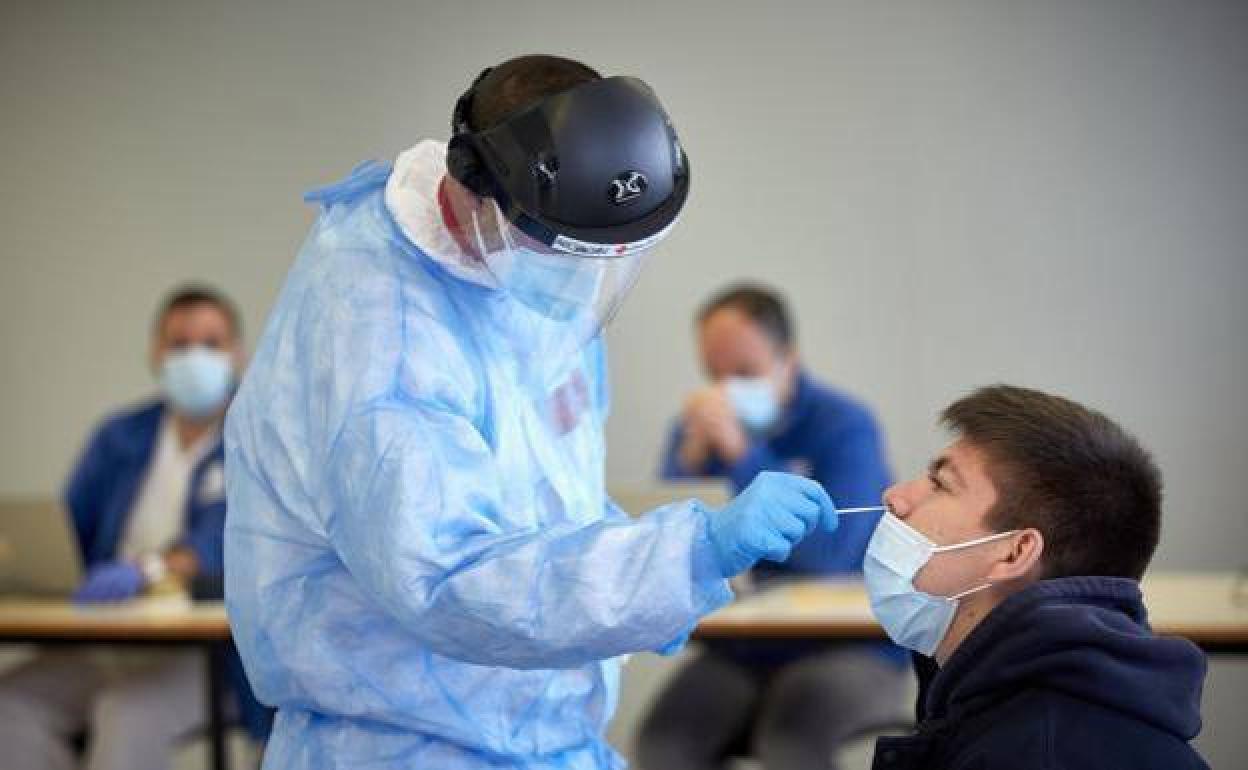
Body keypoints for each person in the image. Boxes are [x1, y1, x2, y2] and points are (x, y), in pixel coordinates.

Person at [225, 54, 843, 770]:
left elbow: (546, 504)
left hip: (543, 739)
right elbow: (449, 575)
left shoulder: (522, 284)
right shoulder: (380, 334)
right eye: (562, 250)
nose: (580, 276)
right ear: (473, 189)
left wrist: (646, 574)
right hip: (406, 746)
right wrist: (683, 553)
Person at [867, 384, 1209, 769]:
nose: (895, 496)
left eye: (941, 484)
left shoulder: (1036, 752)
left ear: (1015, 552)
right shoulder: (1003, 702)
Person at [638, 284, 908, 770]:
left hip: (853, 648)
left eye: (745, 373)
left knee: (791, 737)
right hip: (744, 648)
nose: (726, 391)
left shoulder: (844, 425)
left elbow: (828, 558)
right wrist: (691, 463)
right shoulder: (695, 432)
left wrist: (742, 455)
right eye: (714, 375)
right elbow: (670, 545)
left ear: (789, 360)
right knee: (665, 740)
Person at [0, 286, 270, 770]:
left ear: (237, 354)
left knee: (124, 714)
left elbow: (218, 541)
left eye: (211, 344)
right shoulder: (120, 436)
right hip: (109, 636)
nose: (194, 357)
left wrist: (149, 570)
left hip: (206, 658)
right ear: (155, 353)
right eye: (179, 343)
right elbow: (67, 533)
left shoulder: (255, 441)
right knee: (12, 706)